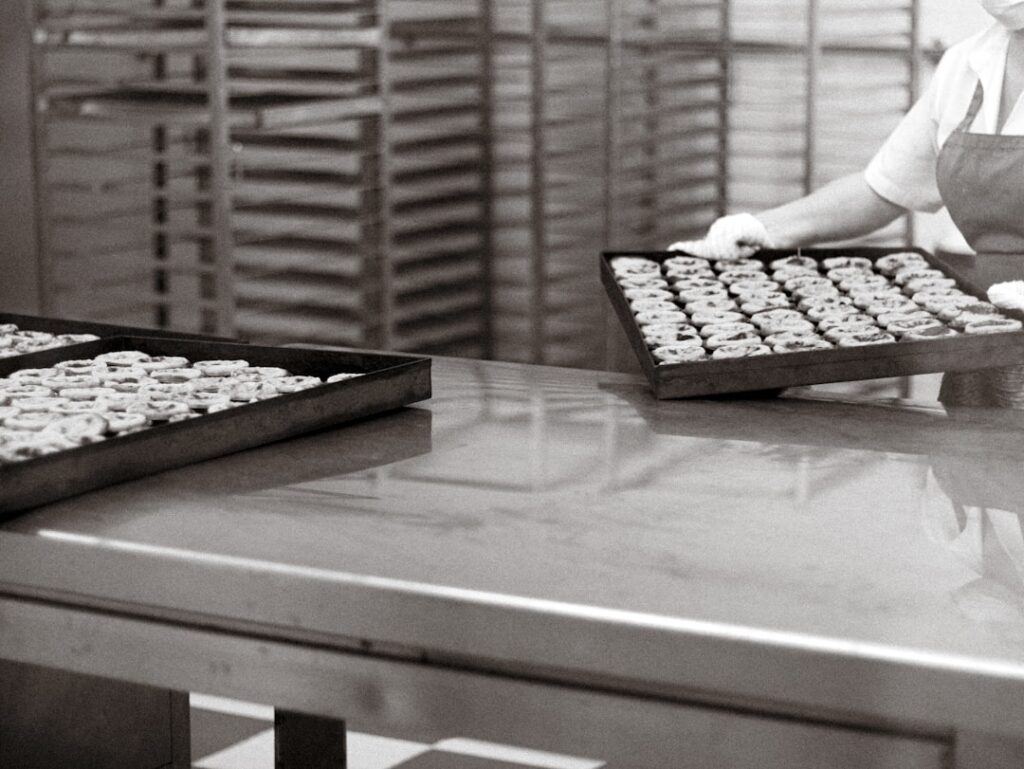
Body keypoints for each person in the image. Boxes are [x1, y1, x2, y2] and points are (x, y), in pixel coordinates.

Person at [672, 0, 1024, 407]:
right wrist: (763, 227)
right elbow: (882, 187)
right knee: (974, 466)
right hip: (986, 340)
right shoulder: (968, 63)